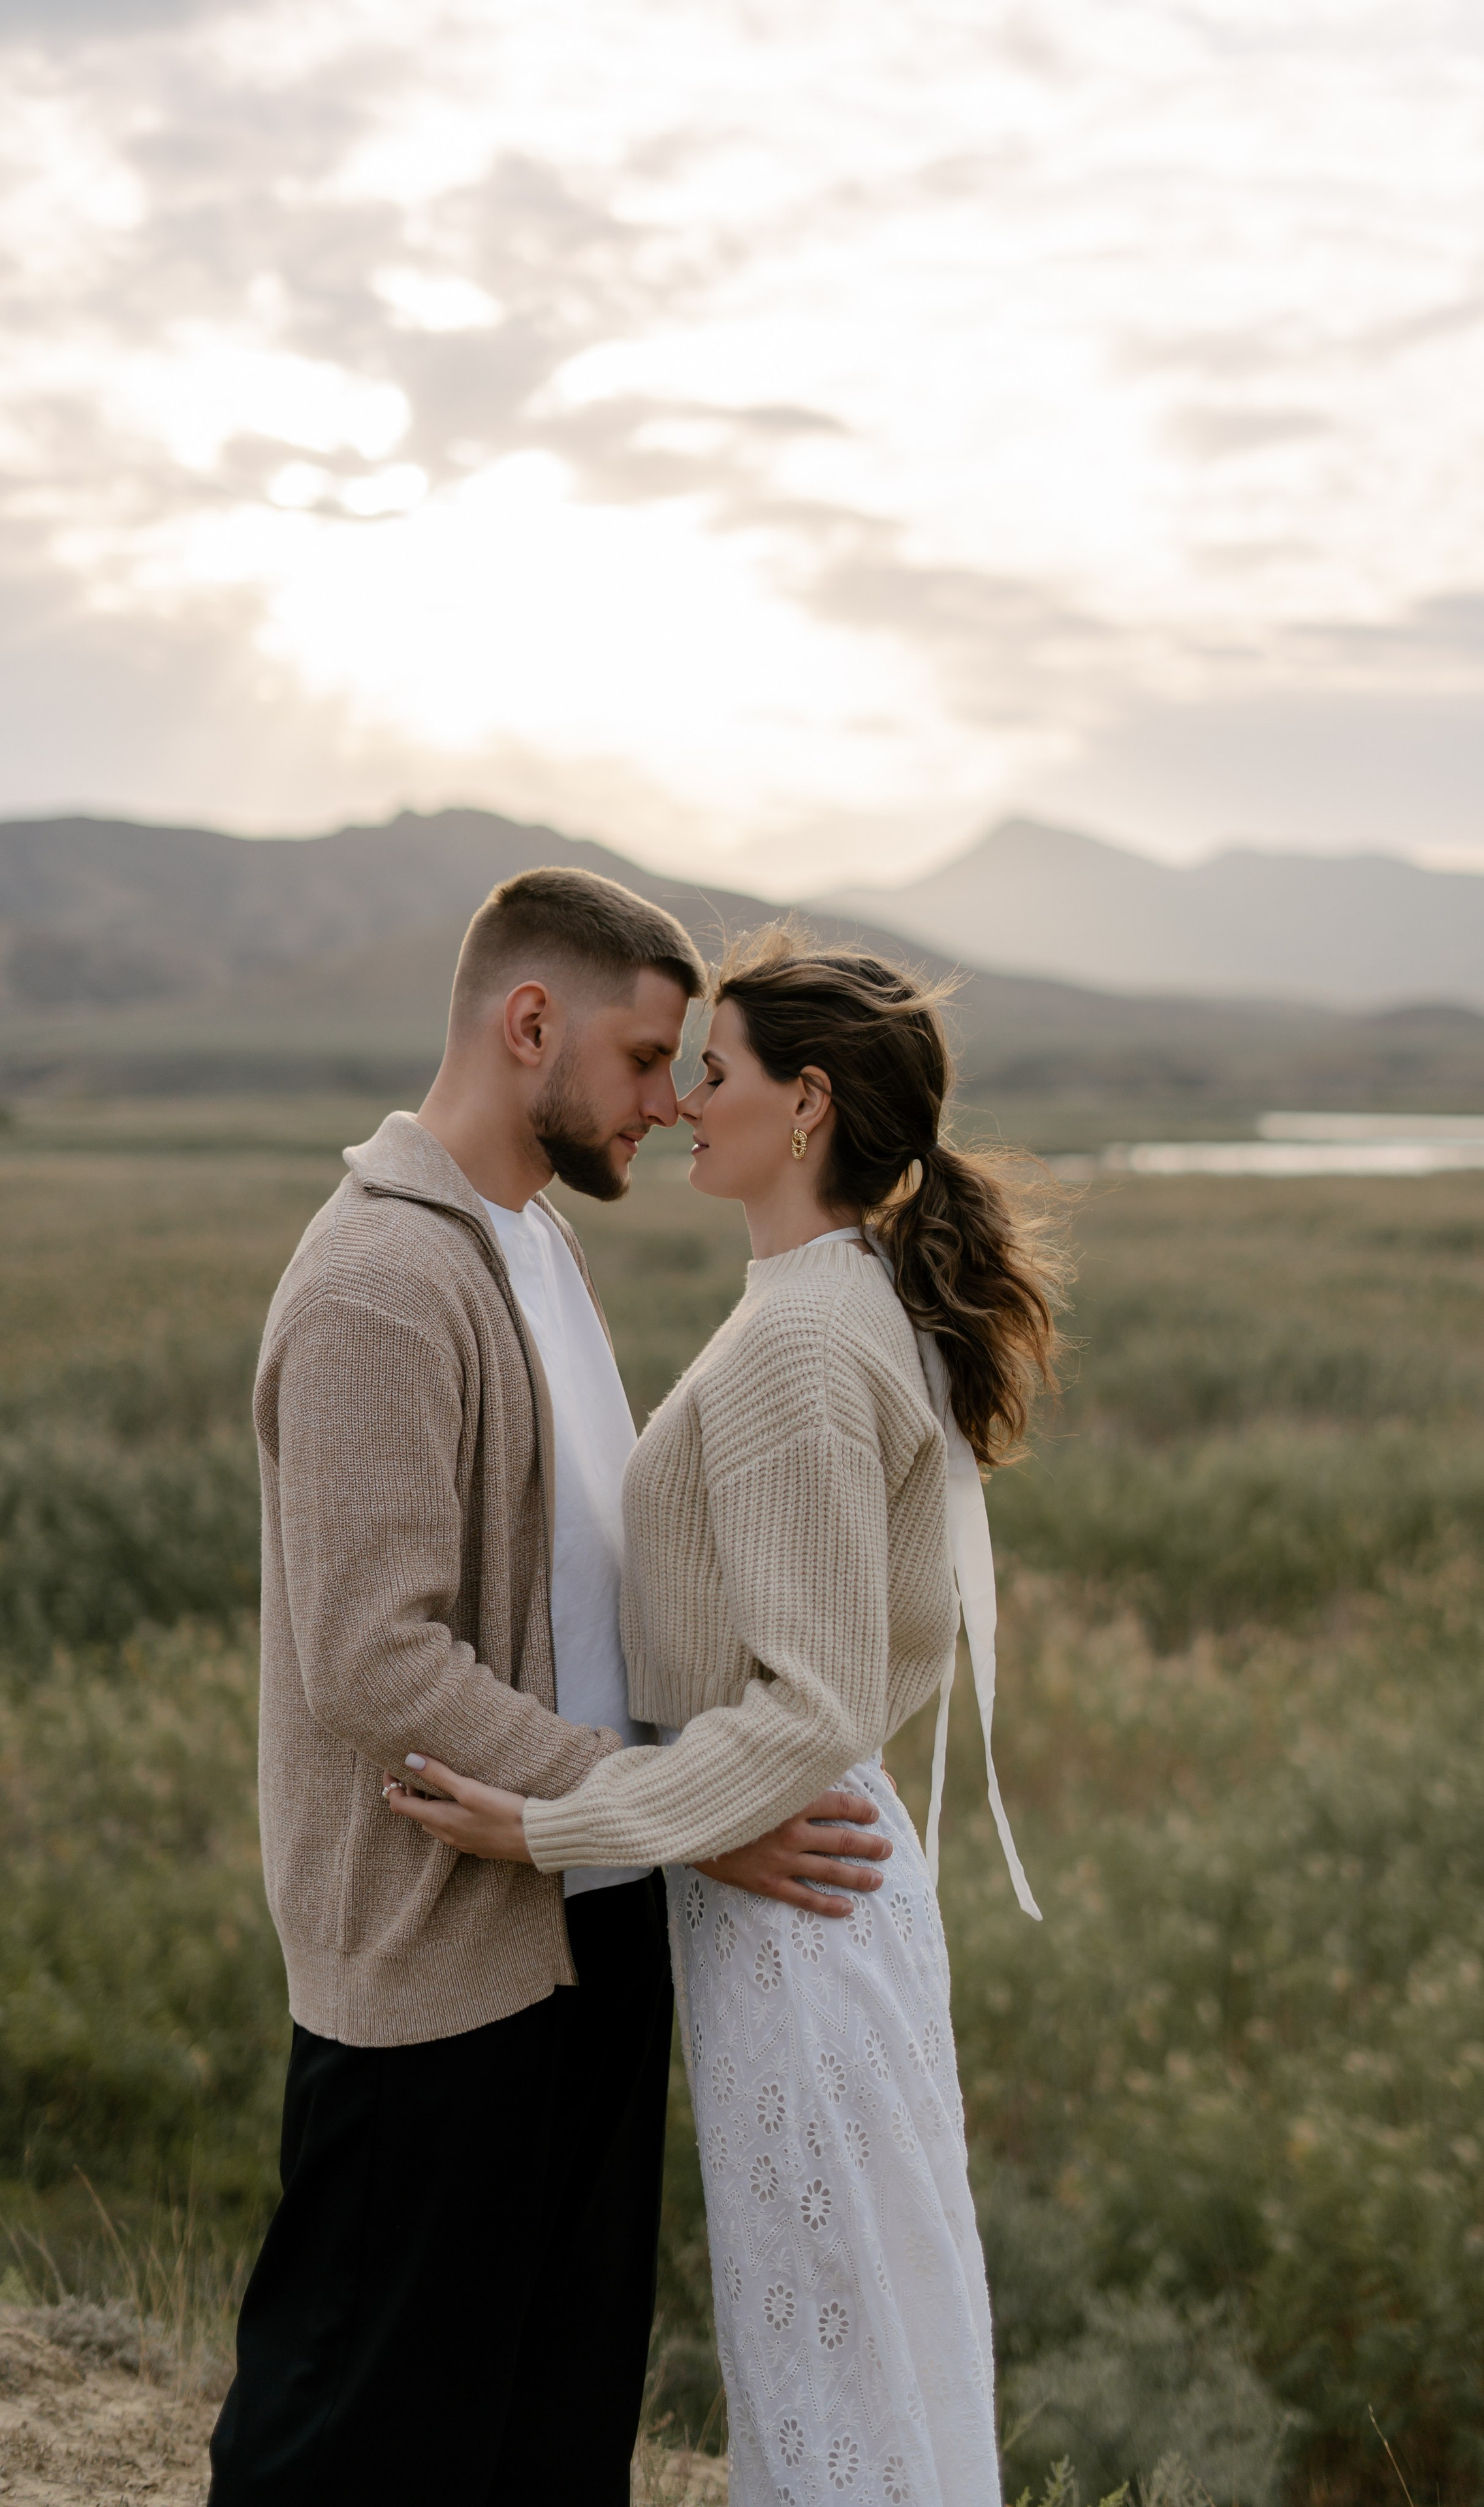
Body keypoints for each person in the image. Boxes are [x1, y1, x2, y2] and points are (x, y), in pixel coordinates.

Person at [208, 872, 894, 2507]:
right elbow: (373, 1657)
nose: (668, 1103)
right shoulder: (383, 1281)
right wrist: (672, 1814)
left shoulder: (536, 1245)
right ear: (531, 1024)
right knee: (354, 2439)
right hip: (437, 1963)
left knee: (553, 2424)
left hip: (586, 1927)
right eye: (648, 1058)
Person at [384, 922, 1066, 2507]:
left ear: (805, 1104)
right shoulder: (836, 1300)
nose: (683, 1102)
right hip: (811, 1872)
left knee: (834, 2348)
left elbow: (809, 1705)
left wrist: (555, 1823)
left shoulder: (801, 1341)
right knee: (854, 2333)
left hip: (798, 1895)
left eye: (716, 1071)